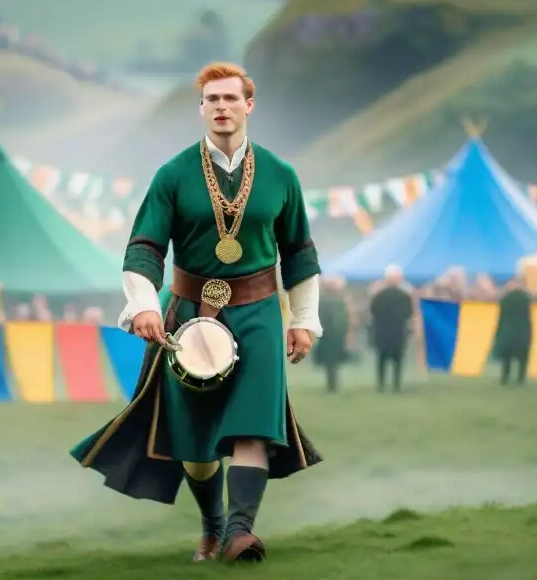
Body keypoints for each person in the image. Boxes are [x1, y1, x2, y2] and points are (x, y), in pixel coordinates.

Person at [70, 62, 323, 564]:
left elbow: (300, 254)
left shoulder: (280, 175)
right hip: (186, 312)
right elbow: (143, 249)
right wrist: (143, 305)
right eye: (212, 100)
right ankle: (212, 525)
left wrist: (302, 319)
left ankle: (239, 533)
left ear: (249, 105)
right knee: (195, 440)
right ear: (201, 108)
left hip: (258, 313)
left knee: (254, 424)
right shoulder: (173, 175)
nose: (222, 107)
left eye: (231, 98)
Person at [368, 265, 417, 392]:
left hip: (382, 332)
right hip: (398, 332)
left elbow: (373, 311)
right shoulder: (405, 296)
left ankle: (381, 385)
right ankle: (396, 385)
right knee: (398, 361)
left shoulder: (378, 296)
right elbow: (409, 313)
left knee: (381, 360)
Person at [313, 276, 351, 393]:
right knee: (332, 361)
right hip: (333, 334)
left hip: (329, 334)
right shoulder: (336, 300)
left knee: (331, 361)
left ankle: (332, 383)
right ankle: (332, 384)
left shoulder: (324, 299)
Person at [493, 276, 533, 386]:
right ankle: (521, 378)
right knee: (523, 358)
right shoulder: (526, 298)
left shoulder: (506, 298)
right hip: (523, 331)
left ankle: (505, 378)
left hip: (508, 330)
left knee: (507, 358)